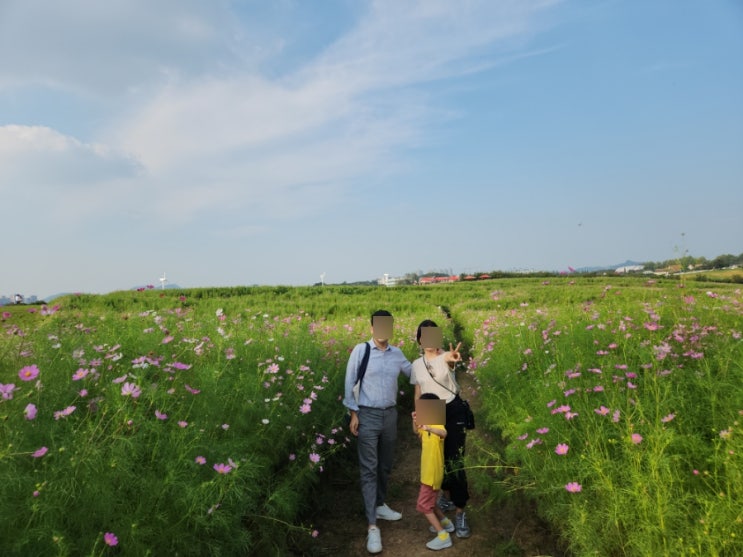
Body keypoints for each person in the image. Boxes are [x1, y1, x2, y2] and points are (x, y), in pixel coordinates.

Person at [343, 309, 412, 554]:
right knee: (369, 468)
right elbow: (349, 382)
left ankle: (380, 504)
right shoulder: (361, 350)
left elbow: (415, 375)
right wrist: (353, 413)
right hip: (367, 416)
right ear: (372, 328)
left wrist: (441, 359)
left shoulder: (397, 354)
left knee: (385, 465)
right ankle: (372, 526)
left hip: (390, 416)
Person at [410, 319, 471, 539]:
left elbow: (450, 362)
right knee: (437, 458)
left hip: (452, 408)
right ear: (419, 340)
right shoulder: (416, 365)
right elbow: (418, 392)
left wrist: (452, 359)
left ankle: (460, 511)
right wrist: (417, 420)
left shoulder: (446, 356)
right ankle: (445, 496)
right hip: (430, 409)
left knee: (455, 460)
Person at [412, 393, 453, 551]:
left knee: (423, 505)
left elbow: (444, 433)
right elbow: (417, 432)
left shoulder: (437, 425)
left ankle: (443, 536)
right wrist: (415, 421)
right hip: (428, 472)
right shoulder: (426, 426)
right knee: (431, 502)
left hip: (432, 473)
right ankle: (445, 523)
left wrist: (429, 427)